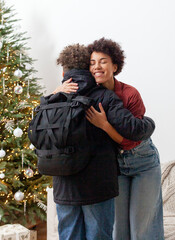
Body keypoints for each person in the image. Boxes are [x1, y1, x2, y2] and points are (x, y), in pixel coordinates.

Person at [52, 43, 156, 240]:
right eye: (93, 63)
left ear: (64, 71)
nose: (97, 67)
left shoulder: (52, 99)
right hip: (97, 185)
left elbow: (36, 135)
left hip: (64, 184)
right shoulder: (104, 98)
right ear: (87, 68)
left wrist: (55, 94)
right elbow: (133, 130)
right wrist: (150, 123)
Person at [86, 38, 164, 240]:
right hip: (115, 166)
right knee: (118, 230)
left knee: (143, 229)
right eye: (92, 62)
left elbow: (132, 140)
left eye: (103, 61)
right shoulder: (90, 96)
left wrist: (104, 125)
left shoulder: (130, 94)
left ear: (115, 66)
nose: (97, 67)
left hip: (143, 161)